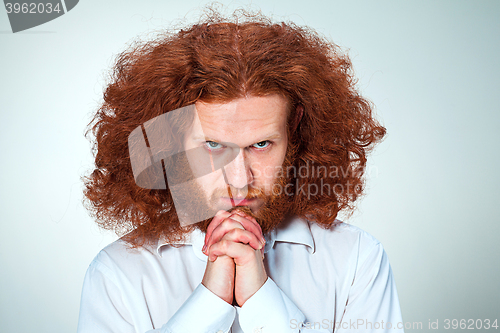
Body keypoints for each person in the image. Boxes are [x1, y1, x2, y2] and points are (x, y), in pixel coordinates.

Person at [78, 9, 404, 333]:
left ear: (294, 127)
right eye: (213, 146)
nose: (238, 180)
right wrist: (209, 304)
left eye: (260, 145)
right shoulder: (117, 275)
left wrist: (262, 301)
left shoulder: (357, 261)